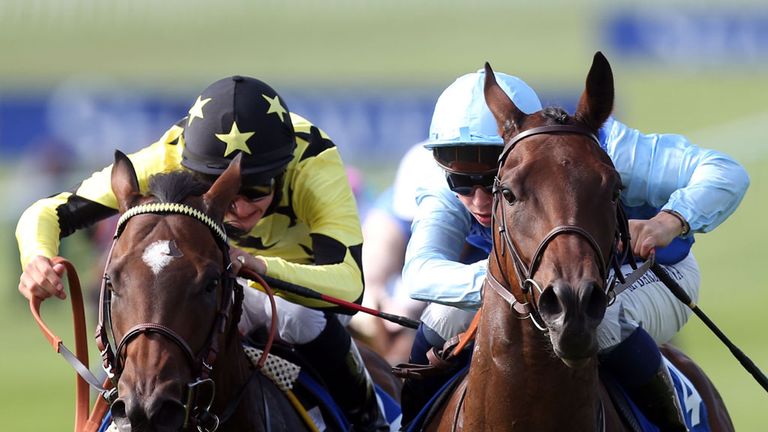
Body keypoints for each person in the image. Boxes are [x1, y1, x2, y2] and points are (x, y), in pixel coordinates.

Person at [16, 75, 389, 431]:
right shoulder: (168, 155)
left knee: (301, 319)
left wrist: (260, 267)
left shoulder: (313, 162)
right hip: (202, 283)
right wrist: (36, 257)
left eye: (256, 190)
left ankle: (370, 420)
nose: (240, 208)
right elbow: (45, 212)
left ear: (282, 170)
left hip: (296, 292)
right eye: (219, 189)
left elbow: (348, 283)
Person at [400, 68, 750, 429]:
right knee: (441, 316)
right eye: (460, 179)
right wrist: (516, 286)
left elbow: (726, 172)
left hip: (646, 274)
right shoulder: (442, 184)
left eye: (492, 180)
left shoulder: (610, 149)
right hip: (532, 284)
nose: (477, 199)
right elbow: (421, 273)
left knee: (605, 320)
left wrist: (668, 221)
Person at [350, 142, 443, 365]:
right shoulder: (392, 214)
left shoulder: (486, 220)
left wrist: (410, 308)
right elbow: (370, 270)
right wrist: (373, 295)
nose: (423, 232)